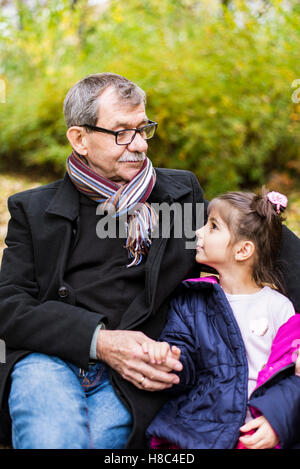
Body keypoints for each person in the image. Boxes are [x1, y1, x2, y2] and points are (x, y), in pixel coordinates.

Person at [0, 73, 300, 450]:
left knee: (100, 443)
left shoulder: (176, 197)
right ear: (79, 139)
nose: (139, 145)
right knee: (53, 438)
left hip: (138, 374)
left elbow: (263, 242)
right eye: (122, 132)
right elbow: (9, 306)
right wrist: (100, 341)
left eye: (143, 129)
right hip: (49, 358)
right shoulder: (34, 209)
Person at [146, 190, 300, 449]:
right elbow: (182, 353)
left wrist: (277, 422)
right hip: (202, 426)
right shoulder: (192, 299)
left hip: (258, 430)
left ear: (243, 250)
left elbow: (292, 377)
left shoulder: (279, 308)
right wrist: (170, 358)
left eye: (213, 226)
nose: (199, 232)